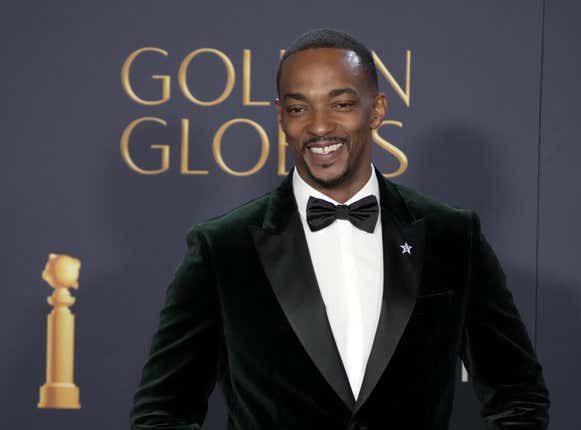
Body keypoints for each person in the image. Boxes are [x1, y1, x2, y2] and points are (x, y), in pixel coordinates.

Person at [129, 28, 550, 430]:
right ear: (280, 117)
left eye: (341, 104)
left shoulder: (452, 236)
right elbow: (162, 411)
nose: (318, 126)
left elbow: (518, 394)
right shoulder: (222, 249)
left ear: (378, 110)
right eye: (298, 108)